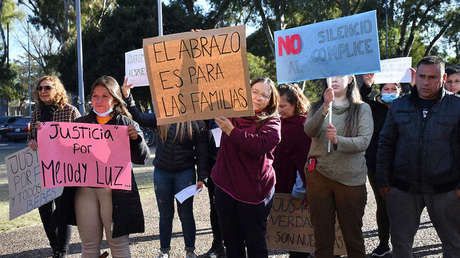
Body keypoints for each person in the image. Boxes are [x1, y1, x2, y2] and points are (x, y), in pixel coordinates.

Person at [376, 56, 460, 258]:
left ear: (443, 78)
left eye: (433, 77)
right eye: (421, 76)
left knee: (455, 245)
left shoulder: (457, 107)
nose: (426, 82)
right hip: (403, 188)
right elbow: (386, 144)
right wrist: (384, 182)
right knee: (401, 246)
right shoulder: (398, 106)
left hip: (445, 188)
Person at [121, 79, 209, 258]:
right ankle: (164, 251)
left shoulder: (197, 122)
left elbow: (202, 153)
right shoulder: (162, 116)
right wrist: (128, 96)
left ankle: (190, 251)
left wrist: (202, 176)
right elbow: (139, 117)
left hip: (185, 174)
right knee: (165, 215)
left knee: (186, 214)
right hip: (162, 173)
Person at [65, 76, 149, 258]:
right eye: (95, 96)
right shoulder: (79, 124)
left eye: (105, 96)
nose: (99, 101)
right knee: (88, 246)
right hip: (85, 192)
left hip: (115, 193)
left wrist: (136, 140)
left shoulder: (126, 124)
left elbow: (143, 157)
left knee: (118, 245)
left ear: (115, 98)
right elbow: (62, 152)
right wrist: (43, 135)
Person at [304, 75, 373, 258]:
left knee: (353, 236)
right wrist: (325, 107)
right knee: (322, 236)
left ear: (350, 79)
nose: (334, 80)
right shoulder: (316, 106)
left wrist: (337, 141)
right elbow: (309, 130)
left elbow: (364, 142)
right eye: (330, 76)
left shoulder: (362, 108)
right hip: (319, 176)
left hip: (350, 179)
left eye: (339, 76)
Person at [211, 77, 280, 257]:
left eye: (264, 95)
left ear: (271, 101)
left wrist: (231, 131)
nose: (258, 97)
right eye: (254, 91)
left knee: (255, 242)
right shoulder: (231, 113)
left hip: (255, 191)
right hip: (226, 186)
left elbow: (258, 146)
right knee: (232, 242)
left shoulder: (273, 122)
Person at [27, 75, 81, 258]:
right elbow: (31, 138)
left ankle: (62, 251)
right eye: (40, 88)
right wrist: (32, 142)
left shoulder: (70, 111)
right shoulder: (36, 113)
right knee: (44, 210)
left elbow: (81, 139)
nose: (43, 91)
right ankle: (54, 244)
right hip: (43, 169)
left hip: (65, 170)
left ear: (56, 89)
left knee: (62, 209)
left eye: (47, 88)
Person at [360, 74, 402, 257]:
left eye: (394, 89)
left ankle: (401, 245)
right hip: (376, 164)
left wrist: (416, 85)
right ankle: (384, 244)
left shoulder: (406, 107)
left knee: (402, 206)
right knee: (383, 204)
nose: (390, 92)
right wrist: (367, 85)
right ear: (381, 91)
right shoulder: (373, 108)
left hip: (402, 165)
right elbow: (360, 100)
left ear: (400, 92)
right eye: (386, 89)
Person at [273, 83, 312, 258]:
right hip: (279, 189)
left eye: (283, 106)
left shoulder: (302, 126)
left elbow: (306, 163)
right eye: (276, 105)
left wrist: (305, 190)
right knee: (292, 240)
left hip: (297, 192)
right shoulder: (275, 123)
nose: (279, 110)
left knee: (299, 241)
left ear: (295, 104)